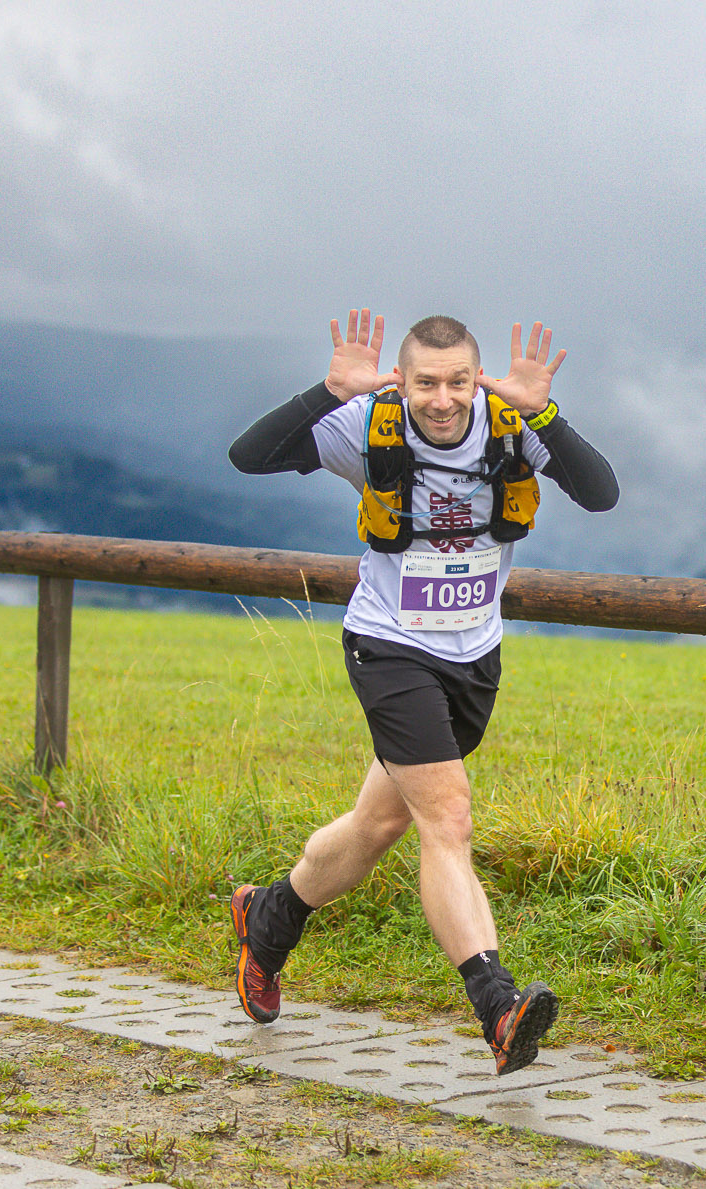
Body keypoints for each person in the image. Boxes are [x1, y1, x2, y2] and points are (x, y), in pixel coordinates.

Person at [224, 309, 619, 1075]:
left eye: (458, 382)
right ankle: (497, 1004)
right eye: (427, 383)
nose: (443, 399)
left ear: (477, 380)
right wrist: (328, 391)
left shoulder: (509, 426)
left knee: (376, 825)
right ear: (401, 381)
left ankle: (268, 917)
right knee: (448, 816)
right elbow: (249, 455)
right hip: (389, 648)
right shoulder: (369, 426)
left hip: (473, 658)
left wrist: (545, 414)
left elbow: (600, 492)